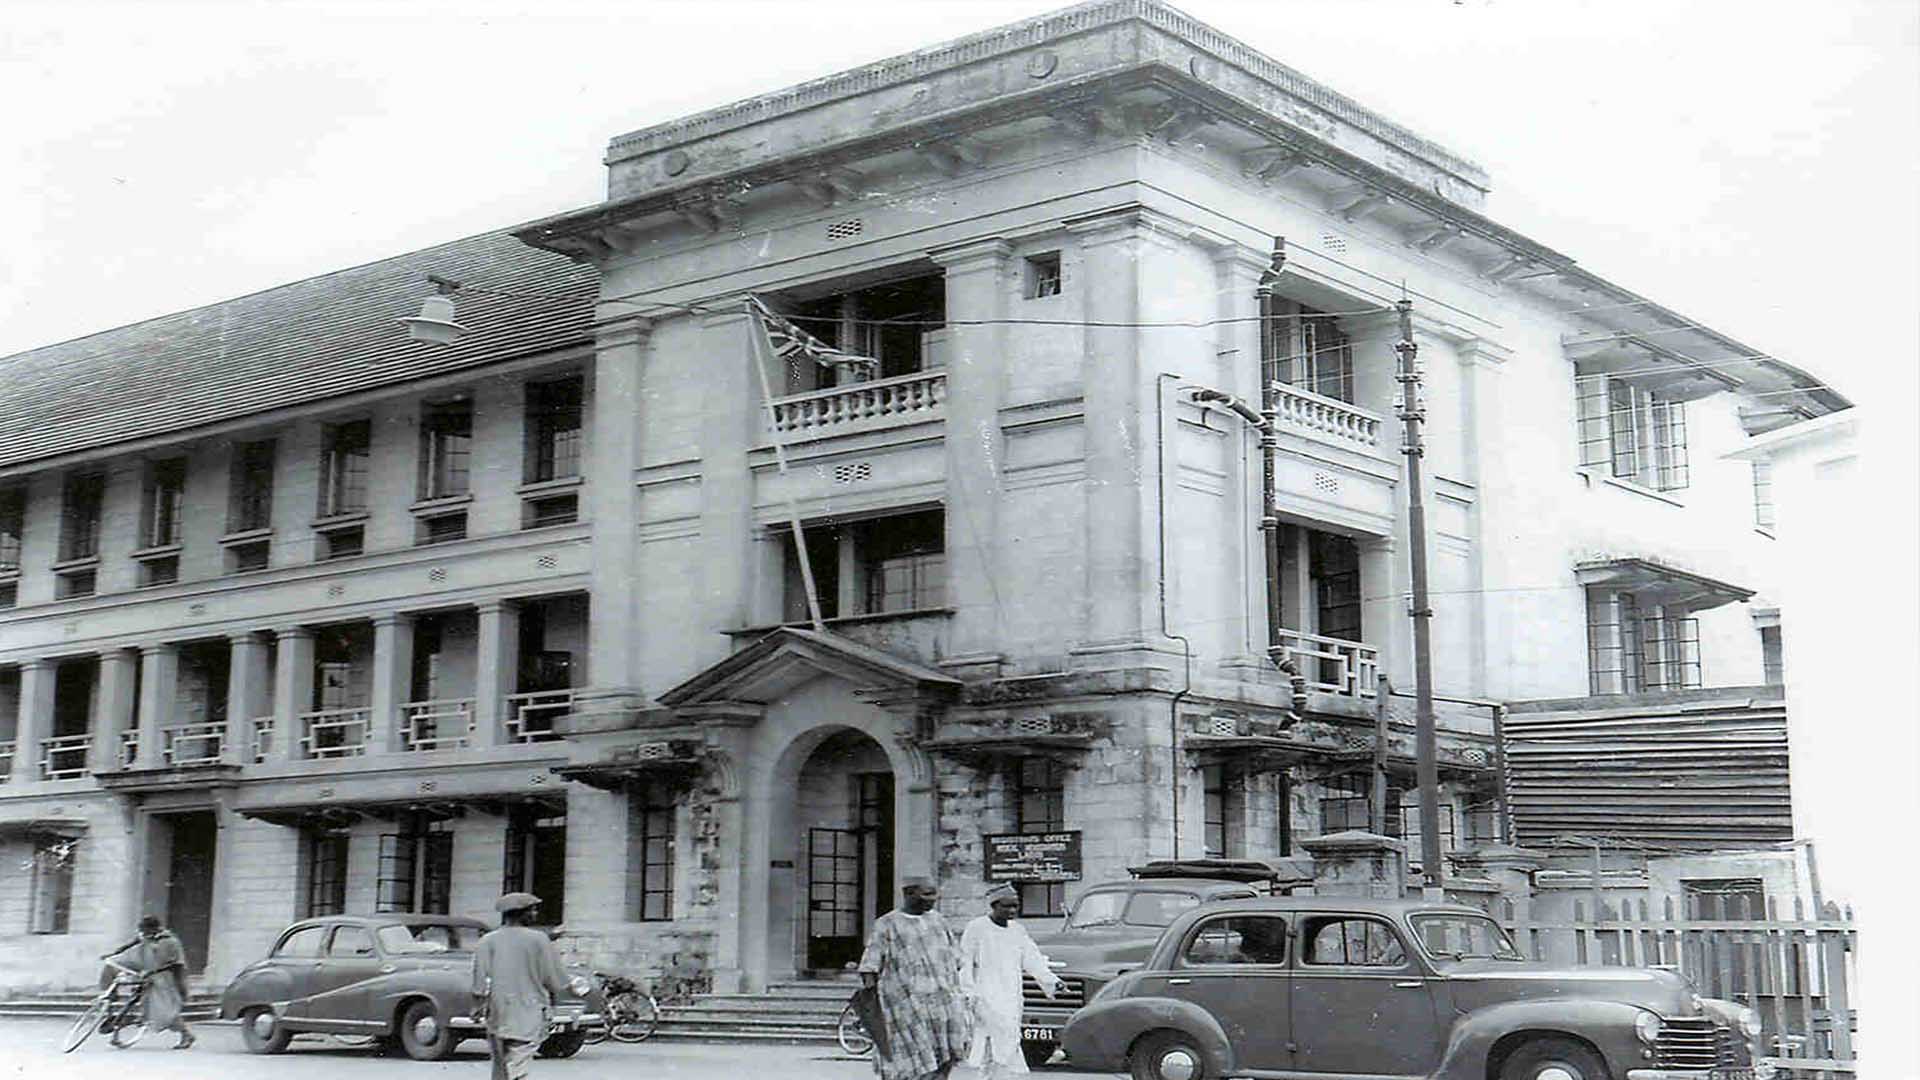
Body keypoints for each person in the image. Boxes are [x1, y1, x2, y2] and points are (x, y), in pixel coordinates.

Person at [858, 877, 973, 1080]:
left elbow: (956, 960)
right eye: (927, 894)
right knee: (909, 1063)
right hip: (904, 1007)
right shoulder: (887, 924)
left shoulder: (938, 921)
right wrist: (871, 1006)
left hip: (942, 1004)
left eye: (934, 893)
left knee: (945, 1057)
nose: (934, 899)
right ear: (908, 894)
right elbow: (870, 966)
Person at [958, 882, 1059, 1077]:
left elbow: (1032, 958)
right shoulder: (977, 928)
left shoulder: (1017, 930)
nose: (1012, 910)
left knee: (1008, 1039)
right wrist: (969, 992)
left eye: (1015, 906)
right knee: (996, 1039)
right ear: (994, 906)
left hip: (1012, 995)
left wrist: (1052, 980)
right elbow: (966, 962)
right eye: (1007, 906)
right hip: (986, 994)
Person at [472, 892, 570, 1080]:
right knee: (519, 1059)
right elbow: (553, 977)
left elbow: (479, 978)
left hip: (498, 1010)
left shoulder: (488, 940)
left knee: (500, 1062)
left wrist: (477, 1005)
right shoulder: (539, 939)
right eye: (532, 910)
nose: (535, 914)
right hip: (529, 1009)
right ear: (519, 913)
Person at [100, 915, 194, 1049]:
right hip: (144, 972)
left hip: (163, 978)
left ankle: (187, 1035)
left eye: (145, 930)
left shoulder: (169, 941)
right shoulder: (146, 937)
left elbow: (174, 964)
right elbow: (130, 945)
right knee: (113, 967)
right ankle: (110, 994)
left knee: (163, 1011)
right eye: (142, 931)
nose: (143, 934)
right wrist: (113, 954)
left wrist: (152, 972)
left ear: (154, 929)